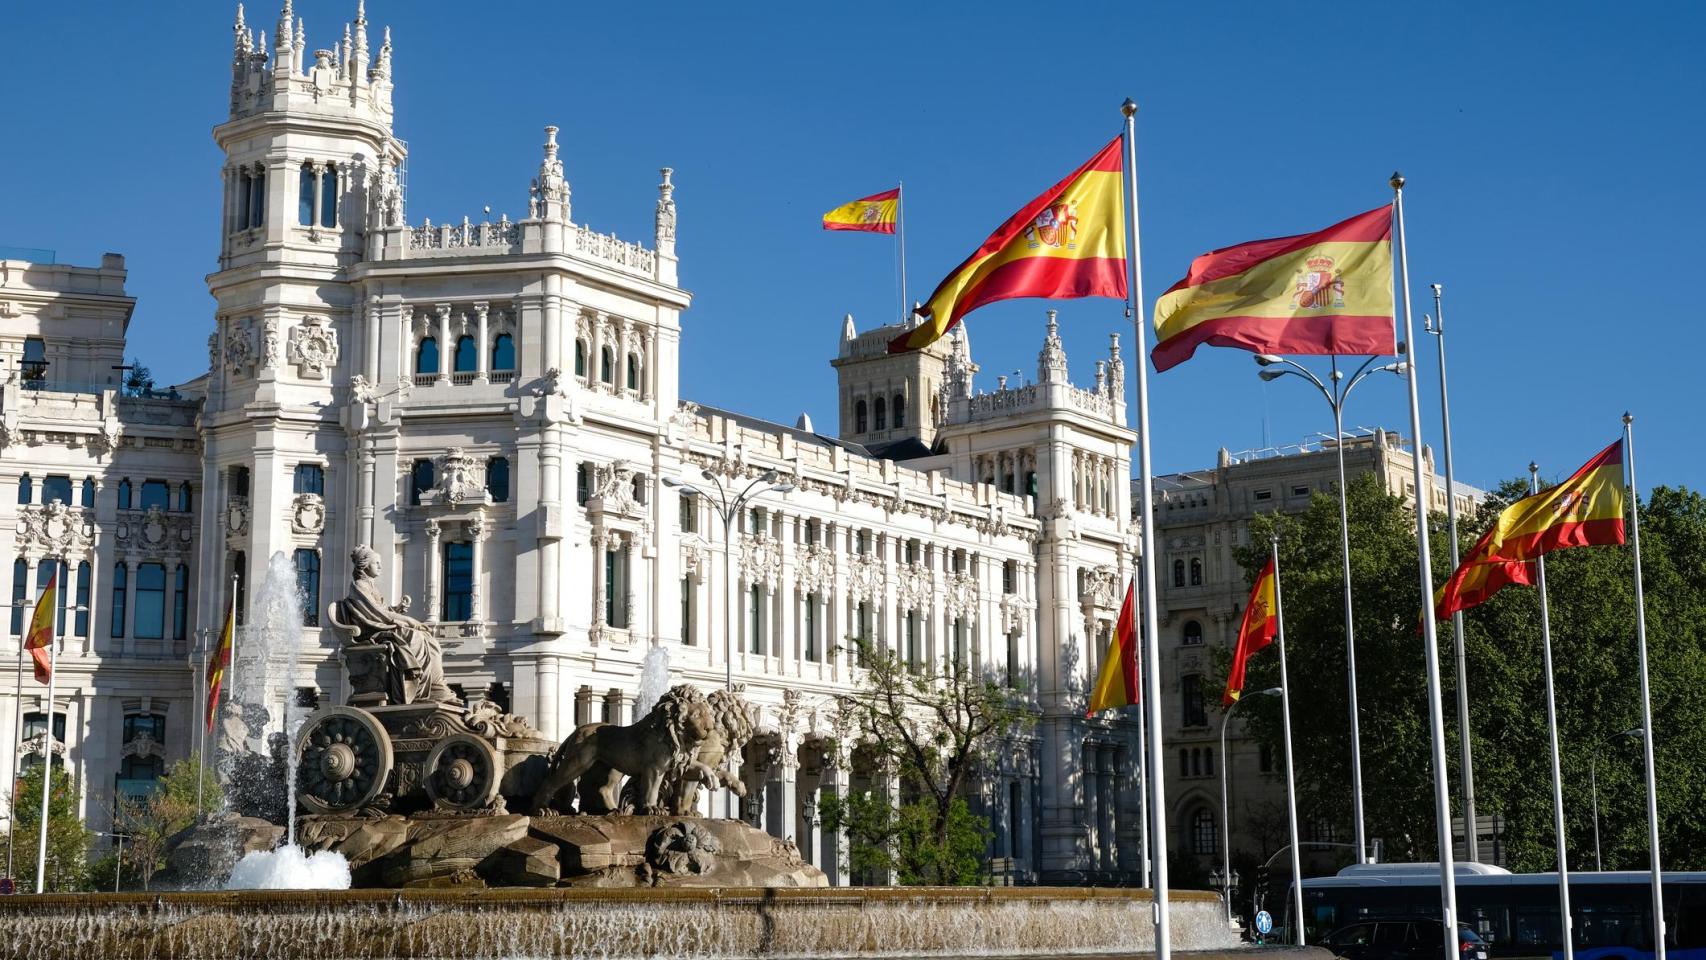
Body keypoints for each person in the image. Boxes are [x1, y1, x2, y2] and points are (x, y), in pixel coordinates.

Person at [331, 545, 457, 705]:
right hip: (372, 632)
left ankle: (435, 685)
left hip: (380, 626)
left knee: (430, 641)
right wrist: (410, 621)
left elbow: (381, 611)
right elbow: (376, 615)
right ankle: (418, 688)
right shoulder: (359, 586)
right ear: (364, 565)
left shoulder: (370, 587)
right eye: (376, 563)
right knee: (415, 636)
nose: (380, 566)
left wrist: (396, 609)